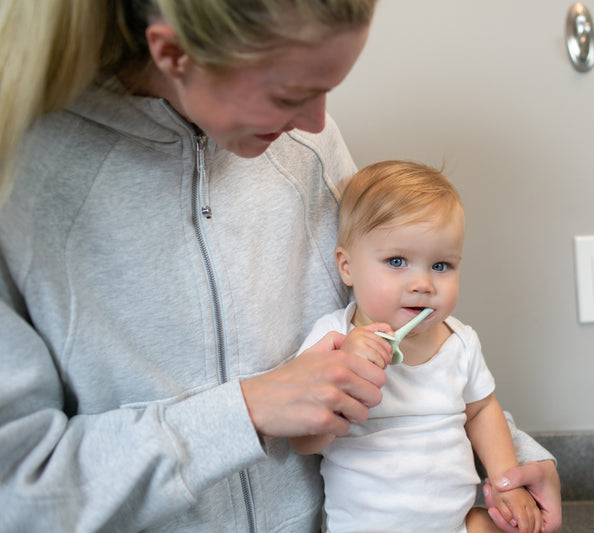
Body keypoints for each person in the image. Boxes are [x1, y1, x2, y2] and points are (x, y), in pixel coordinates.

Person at [0, 1, 561, 532]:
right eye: (291, 93)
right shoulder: (18, 181)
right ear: (173, 55)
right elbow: (16, 490)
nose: (316, 125)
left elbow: (398, 356)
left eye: (324, 93)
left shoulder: (305, 146)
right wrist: (248, 409)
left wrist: (513, 465)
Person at [289, 160, 541, 533]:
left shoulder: (460, 342)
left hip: (455, 523)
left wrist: (507, 480)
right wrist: (345, 374)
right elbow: (304, 441)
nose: (423, 283)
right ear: (347, 267)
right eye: (397, 261)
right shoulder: (333, 339)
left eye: (441, 265)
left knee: (497, 526)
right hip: (365, 528)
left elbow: (483, 409)